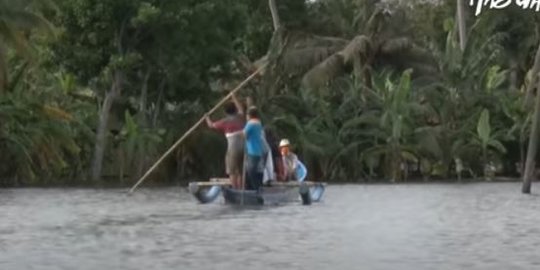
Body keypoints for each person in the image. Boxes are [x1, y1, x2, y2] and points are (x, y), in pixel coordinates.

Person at [205, 94, 245, 189]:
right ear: (235, 110)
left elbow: (211, 125)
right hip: (244, 147)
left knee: (232, 170)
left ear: (225, 112)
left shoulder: (224, 122)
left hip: (233, 148)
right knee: (240, 171)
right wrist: (234, 97)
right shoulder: (240, 117)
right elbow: (241, 109)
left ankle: (235, 189)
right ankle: (241, 189)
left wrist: (206, 117)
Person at [243, 106, 265, 190]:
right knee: (250, 171)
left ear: (249, 115)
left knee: (251, 172)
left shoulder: (251, 123)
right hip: (257, 151)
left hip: (252, 151)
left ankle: (255, 189)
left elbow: (244, 134)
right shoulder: (258, 123)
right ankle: (251, 188)